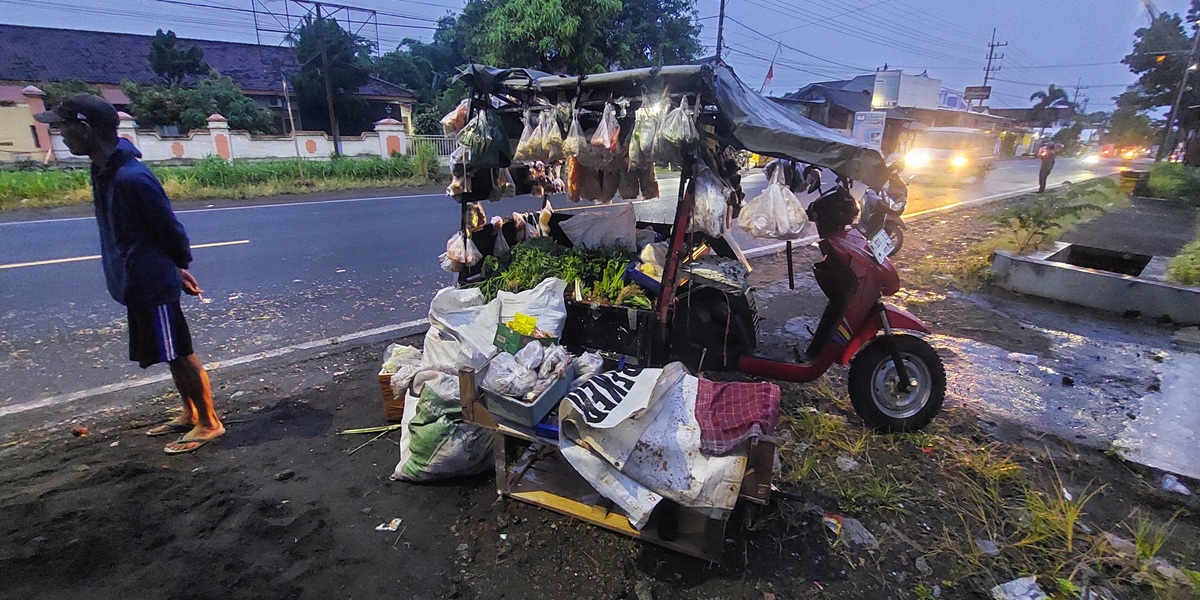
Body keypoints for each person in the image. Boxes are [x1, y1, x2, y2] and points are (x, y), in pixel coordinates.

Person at [35, 95, 224, 454]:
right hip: (138, 279)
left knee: (179, 351)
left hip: (151, 282)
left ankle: (209, 421)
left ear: (85, 129)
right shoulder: (105, 171)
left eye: (64, 128)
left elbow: (169, 229)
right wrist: (174, 268)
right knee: (169, 352)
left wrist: (177, 266)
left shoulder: (131, 178)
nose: (61, 135)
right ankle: (190, 412)